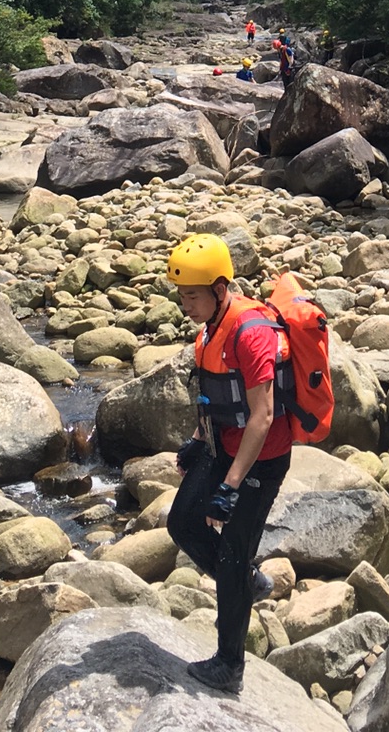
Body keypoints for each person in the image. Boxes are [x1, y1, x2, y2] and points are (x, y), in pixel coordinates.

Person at [166, 234, 292, 696]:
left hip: (262, 456)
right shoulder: (209, 328)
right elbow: (215, 395)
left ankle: (229, 665)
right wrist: (198, 441)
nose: (184, 304)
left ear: (220, 289)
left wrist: (232, 486)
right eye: (180, 295)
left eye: (192, 295)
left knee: (235, 550)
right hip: (224, 444)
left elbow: (260, 417)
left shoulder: (251, 333)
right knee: (181, 522)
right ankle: (245, 582)